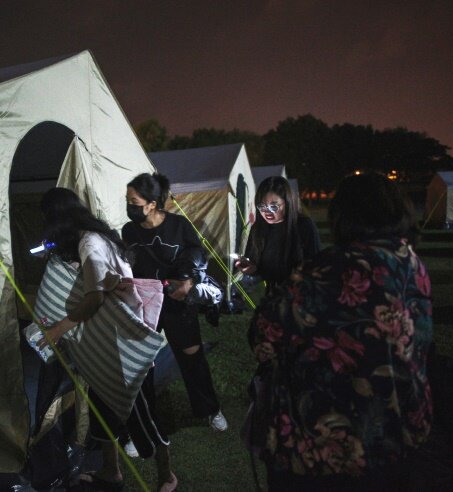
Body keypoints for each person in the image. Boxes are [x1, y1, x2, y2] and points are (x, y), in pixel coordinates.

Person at [248, 172, 433, 491]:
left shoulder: (330, 268)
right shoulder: (412, 263)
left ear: (342, 217)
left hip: (327, 444)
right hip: (398, 432)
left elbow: (263, 340)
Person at [36, 187, 178, 492]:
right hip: (107, 339)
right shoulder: (92, 238)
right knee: (103, 409)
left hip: (124, 342)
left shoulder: (90, 242)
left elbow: (95, 298)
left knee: (139, 415)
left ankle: (167, 476)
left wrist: (59, 328)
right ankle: (111, 471)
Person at [122, 173, 227, 431]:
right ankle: (146, 423)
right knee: (142, 364)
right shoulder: (128, 230)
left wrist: (188, 283)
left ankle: (210, 410)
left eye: (134, 201)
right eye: (127, 200)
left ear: (152, 204)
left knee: (192, 358)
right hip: (145, 306)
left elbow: (198, 256)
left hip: (177, 304)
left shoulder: (179, 226)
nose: (129, 206)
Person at [236, 176, 320, 294]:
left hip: (300, 295)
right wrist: (250, 268)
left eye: (273, 206)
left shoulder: (303, 226)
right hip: (273, 294)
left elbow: (315, 266)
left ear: (287, 202)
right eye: (262, 206)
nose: (267, 212)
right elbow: (256, 264)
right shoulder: (258, 228)